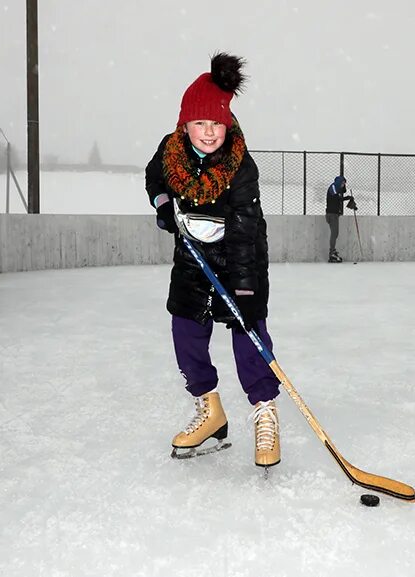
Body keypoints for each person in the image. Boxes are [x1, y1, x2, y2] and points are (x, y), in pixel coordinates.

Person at [145, 53, 281, 468]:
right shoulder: (170, 152)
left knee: (248, 338)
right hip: (192, 261)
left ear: (228, 125)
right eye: (200, 123)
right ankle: (210, 410)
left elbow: (245, 228)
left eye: (216, 124)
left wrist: (244, 289)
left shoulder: (241, 166)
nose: (208, 132)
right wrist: (164, 202)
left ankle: (265, 411)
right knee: (185, 332)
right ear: (184, 125)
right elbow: (154, 175)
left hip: (241, 261)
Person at [325, 175, 354, 263]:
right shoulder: (333, 187)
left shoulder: (336, 189)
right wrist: (345, 198)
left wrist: (347, 197)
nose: (343, 185)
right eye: (342, 183)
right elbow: (336, 198)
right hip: (331, 214)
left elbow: (340, 196)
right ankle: (331, 252)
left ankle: (333, 251)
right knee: (334, 234)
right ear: (339, 182)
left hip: (334, 214)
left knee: (335, 233)